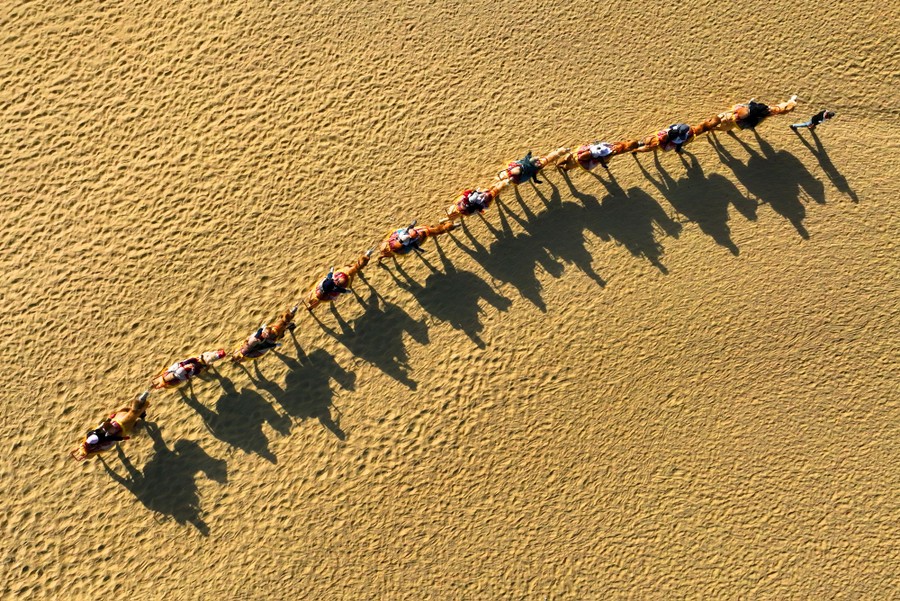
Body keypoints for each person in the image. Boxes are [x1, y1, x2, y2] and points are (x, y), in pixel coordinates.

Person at [716, 95, 798, 131]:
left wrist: (752, 103)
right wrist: (792, 100)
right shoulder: (782, 109)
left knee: (745, 106)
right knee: (755, 122)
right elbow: (788, 104)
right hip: (762, 114)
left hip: (759, 113)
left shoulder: (776, 109)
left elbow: (760, 108)